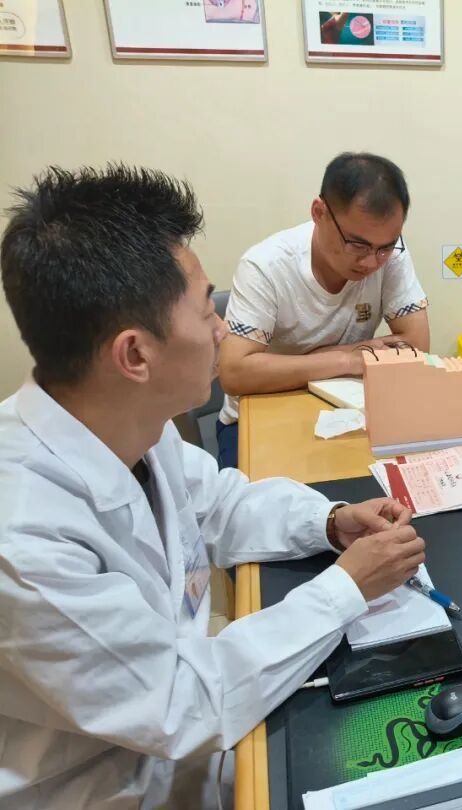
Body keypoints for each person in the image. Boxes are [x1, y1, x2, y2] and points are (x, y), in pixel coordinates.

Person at [0, 165, 426, 809]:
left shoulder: (126, 424)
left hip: (192, 738)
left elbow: (222, 503)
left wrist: (330, 520)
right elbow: (182, 701)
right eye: (206, 309)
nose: (224, 330)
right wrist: (346, 588)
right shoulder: (25, 540)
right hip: (117, 786)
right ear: (135, 355)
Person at [216, 152, 430, 468]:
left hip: (349, 414)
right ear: (319, 212)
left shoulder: (391, 255)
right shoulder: (265, 266)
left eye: (385, 247)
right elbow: (235, 373)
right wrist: (346, 359)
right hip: (262, 416)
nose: (371, 262)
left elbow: (416, 346)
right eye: (357, 245)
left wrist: (314, 359)